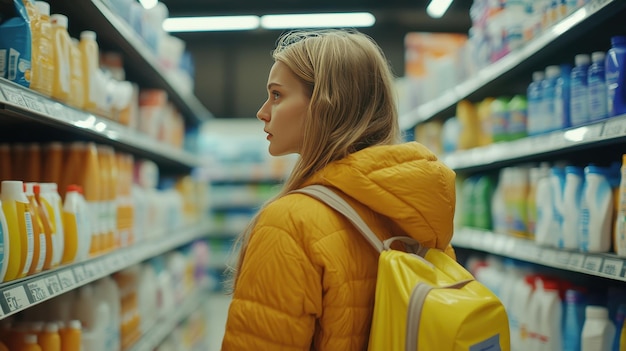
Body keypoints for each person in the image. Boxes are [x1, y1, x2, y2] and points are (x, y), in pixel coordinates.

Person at [221, 29, 456, 350]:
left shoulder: (291, 223)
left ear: (326, 105)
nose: (263, 112)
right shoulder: (420, 210)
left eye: (277, 95)